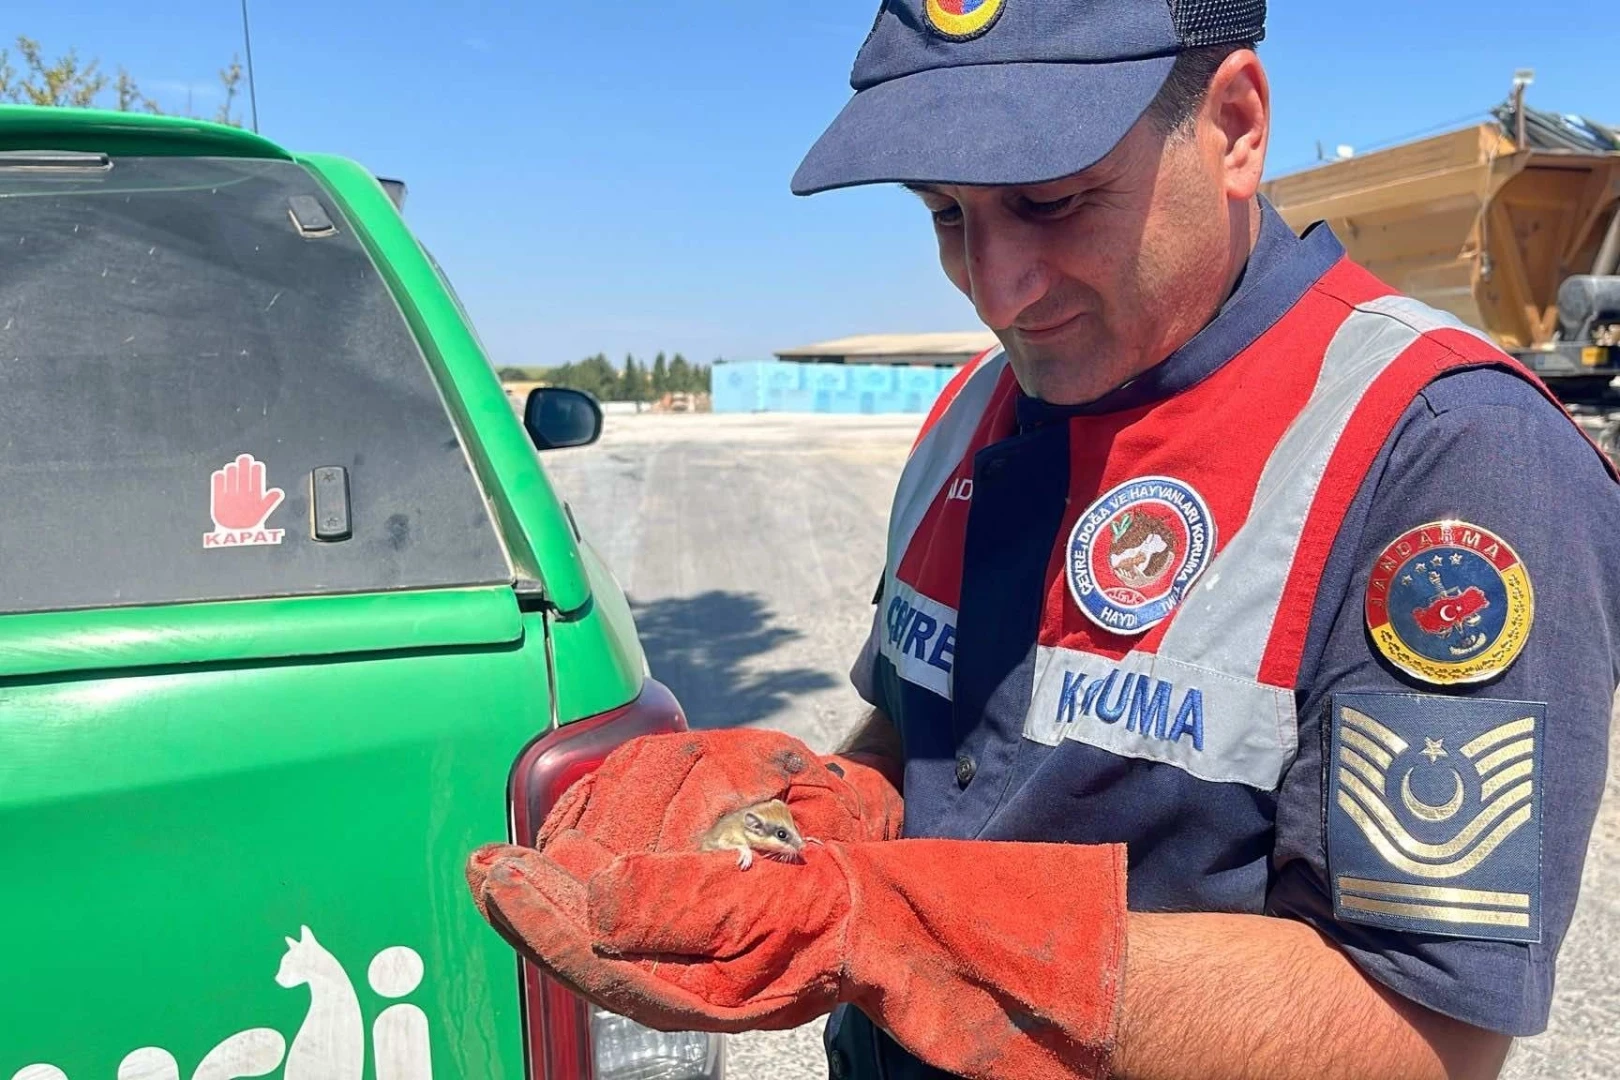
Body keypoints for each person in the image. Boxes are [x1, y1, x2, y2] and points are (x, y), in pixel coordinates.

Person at [467, 2, 1620, 1078]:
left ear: (1234, 127)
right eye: (946, 213)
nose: (997, 290)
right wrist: (807, 815)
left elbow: (1422, 1032)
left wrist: (892, 931)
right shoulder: (976, 408)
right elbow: (928, 736)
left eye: (1055, 201)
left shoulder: (1443, 452)